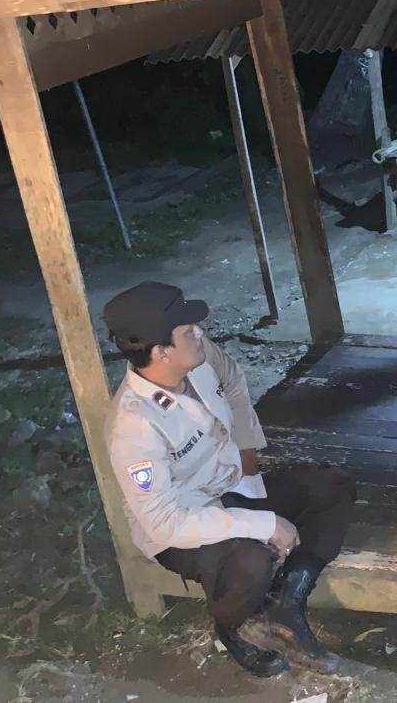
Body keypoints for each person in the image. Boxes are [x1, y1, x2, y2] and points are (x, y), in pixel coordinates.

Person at [102, 281, 357, 677]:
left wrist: (246, 447)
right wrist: (265, 524)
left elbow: (233, 379)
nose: (199, 332)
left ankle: (286, 602)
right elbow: (166, 522)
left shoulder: (198, 356)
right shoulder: (133, 427)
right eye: (188, 330)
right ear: (160, 352)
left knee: (331, 485)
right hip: (184, 525)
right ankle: (234, 624)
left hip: (234, 485)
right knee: (250, 560)